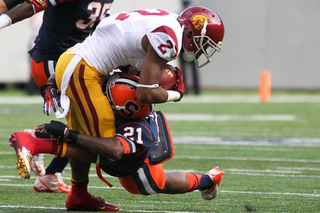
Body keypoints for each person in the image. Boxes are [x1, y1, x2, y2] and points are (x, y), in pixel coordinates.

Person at [37, 5, 223, 210]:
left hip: (78, 65)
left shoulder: (167, 20)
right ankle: (37, 143)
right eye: (203, 43)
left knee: (145, 179)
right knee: (108, 150)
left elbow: (100, 44)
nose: (202, 49)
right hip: (85, 73)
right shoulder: (169, 37)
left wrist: (54, 79)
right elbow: (145, 93)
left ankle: (78, 196)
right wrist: (176, 93)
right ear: (192, 31)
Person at [10, 74, 224, 211]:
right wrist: (50, 87)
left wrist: (67, 134)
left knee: (157, 184)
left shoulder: (139, 129)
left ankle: (208, 180)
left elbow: (114, 150)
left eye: (110, 98)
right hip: (113, 139)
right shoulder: (124, 70)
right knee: (82, 125)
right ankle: (73, 190)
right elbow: (67, 72)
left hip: (129, 162)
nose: (105, 98)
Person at [0, 0, 115, 193]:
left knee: (88, 124)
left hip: (74, 60)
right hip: (52, 62)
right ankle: (37, 138)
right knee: (88, 126)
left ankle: (51, 175)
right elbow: (31, 6)